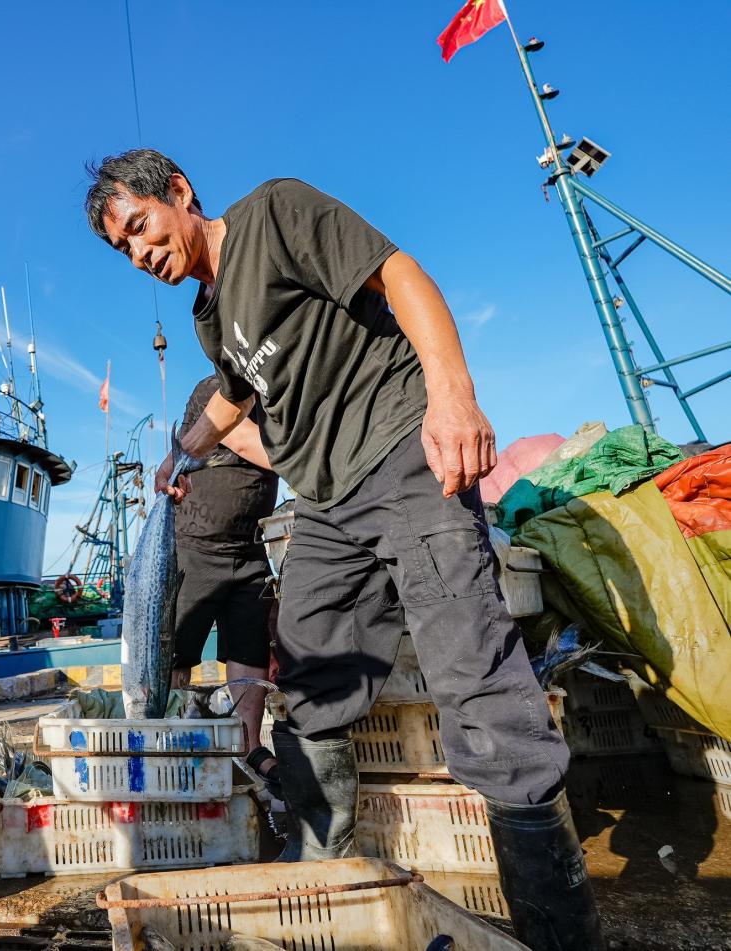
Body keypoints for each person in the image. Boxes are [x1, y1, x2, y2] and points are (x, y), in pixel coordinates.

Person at [85, 149, 602, 951]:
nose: (140, 254)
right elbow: (236, 392)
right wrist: (181, 453)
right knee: (309, 671)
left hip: (401, 452)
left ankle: (558, 927)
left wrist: (453, 396)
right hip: (325, 500)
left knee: (472, 670)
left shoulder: (273, 212)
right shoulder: (207, 315)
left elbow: (400, 274)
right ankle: (324, 854)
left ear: (179, 192)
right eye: (124, 249)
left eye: (141, 227)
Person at [171, 374, 280, 796]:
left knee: (249, 650)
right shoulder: (211, 390)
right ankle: (166, 738)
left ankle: (249, 747)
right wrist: (315, 459)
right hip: (195, 548)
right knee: (175, 653)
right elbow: (251, 444)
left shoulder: (276, 399)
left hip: (251, 550)